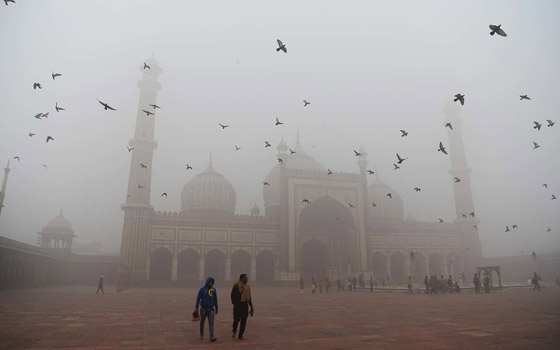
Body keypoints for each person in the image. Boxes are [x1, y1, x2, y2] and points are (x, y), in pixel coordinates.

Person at [195, 276, 219, 342]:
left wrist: (217, 308)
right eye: (210, 282)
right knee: (202, 322)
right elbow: (198, 299)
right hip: (203, 308)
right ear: (207, 282)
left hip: (211, 309)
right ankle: (201, 334)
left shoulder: (213, 290)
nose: (211, 284)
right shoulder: (202, 289)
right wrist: (196, 308)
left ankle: (211, 336)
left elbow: (215, 299)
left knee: (211, 323)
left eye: (212, 282)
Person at [231, 274, 254, 340]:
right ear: (242, 279)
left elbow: (249, 297)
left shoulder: (247, 287)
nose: (247, 279)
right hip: (237, 306)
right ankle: (234, 331)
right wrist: (235, 303)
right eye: (245, 278)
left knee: (244, 321)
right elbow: (232, 296)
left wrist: (251, 306)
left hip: (244, 306)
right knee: (236, 320)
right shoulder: (236, 286)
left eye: (247, 278)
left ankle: (240, 335)